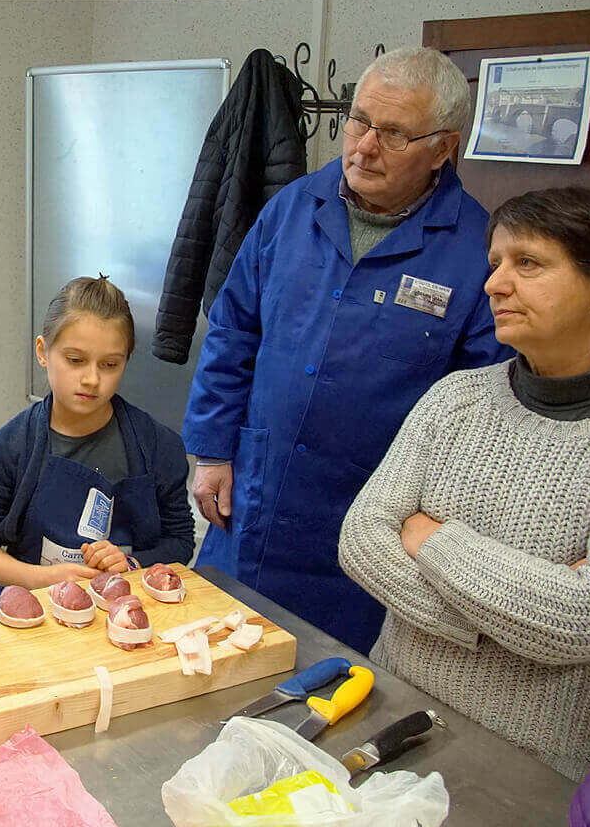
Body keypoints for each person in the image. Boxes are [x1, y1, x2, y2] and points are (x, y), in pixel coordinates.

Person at [339, 187, 590, 780]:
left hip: (547, 769)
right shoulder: (455, 399)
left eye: (528, 264)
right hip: (399, 723)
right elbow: (361, 539)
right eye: (496, 264)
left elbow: (589, 617)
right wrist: (508, 614)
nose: (494, 285)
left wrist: (430, 538)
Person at [181, 46, 511, 651]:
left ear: (443, 147)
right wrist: (210, 450)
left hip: (369, 514)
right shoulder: (291, 208)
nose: (362, 147)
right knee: (216, 658)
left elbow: (481, 408)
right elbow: (232, 332)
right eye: (358, 121)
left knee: (336, 685)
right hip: (257, 489)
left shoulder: (475, 249)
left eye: (393, 134)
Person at [0, 276, 194, 587]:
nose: (92, 379)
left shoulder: (157, 445)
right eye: (75, 360)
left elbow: (180, 540)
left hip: (127, 606)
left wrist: (132, 564)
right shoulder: (13, 445)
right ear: (43, 352)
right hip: (37, 606)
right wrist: (44, 578)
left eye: (110, 365)